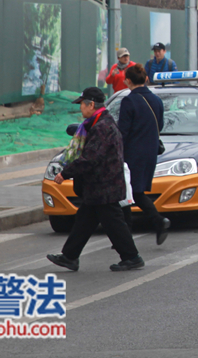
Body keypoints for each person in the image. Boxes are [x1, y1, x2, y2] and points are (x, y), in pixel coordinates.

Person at [47, 88, 143, 272]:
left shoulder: (102, 127)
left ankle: (131, 256)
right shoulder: (97, 123)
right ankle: (70, 256)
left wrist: (66, 173)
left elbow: (91, 158)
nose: (80, 109)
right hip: (99, 185)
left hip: (105, 185)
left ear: (91, 105)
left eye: (82, 104)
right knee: (84, 221)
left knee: (114, 223)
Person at [117, 64, 169, 246]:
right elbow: (160, 126)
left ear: (128, 81)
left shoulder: (128, 101)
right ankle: (133, 231)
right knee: (135, 192)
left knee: (126, 193)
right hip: (150, 152)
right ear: (146, 79)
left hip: (132, 154)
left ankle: (128, 233)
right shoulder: (156, 100)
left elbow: (122, 131)